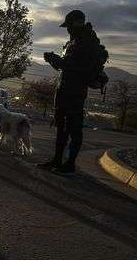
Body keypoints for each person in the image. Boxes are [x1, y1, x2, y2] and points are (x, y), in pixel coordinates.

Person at [38, 10, 102, 174]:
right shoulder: (73, 41)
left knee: (74, 128)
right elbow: (64, 66)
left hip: (76, 90)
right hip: (64, 88)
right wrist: (54, 60)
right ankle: (57, 160)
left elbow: (80, 68)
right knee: (61, 126)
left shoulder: (87, 42)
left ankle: (70, 164)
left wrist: (58, 61)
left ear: (76, 24)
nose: (67, 30)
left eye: (68, 26)